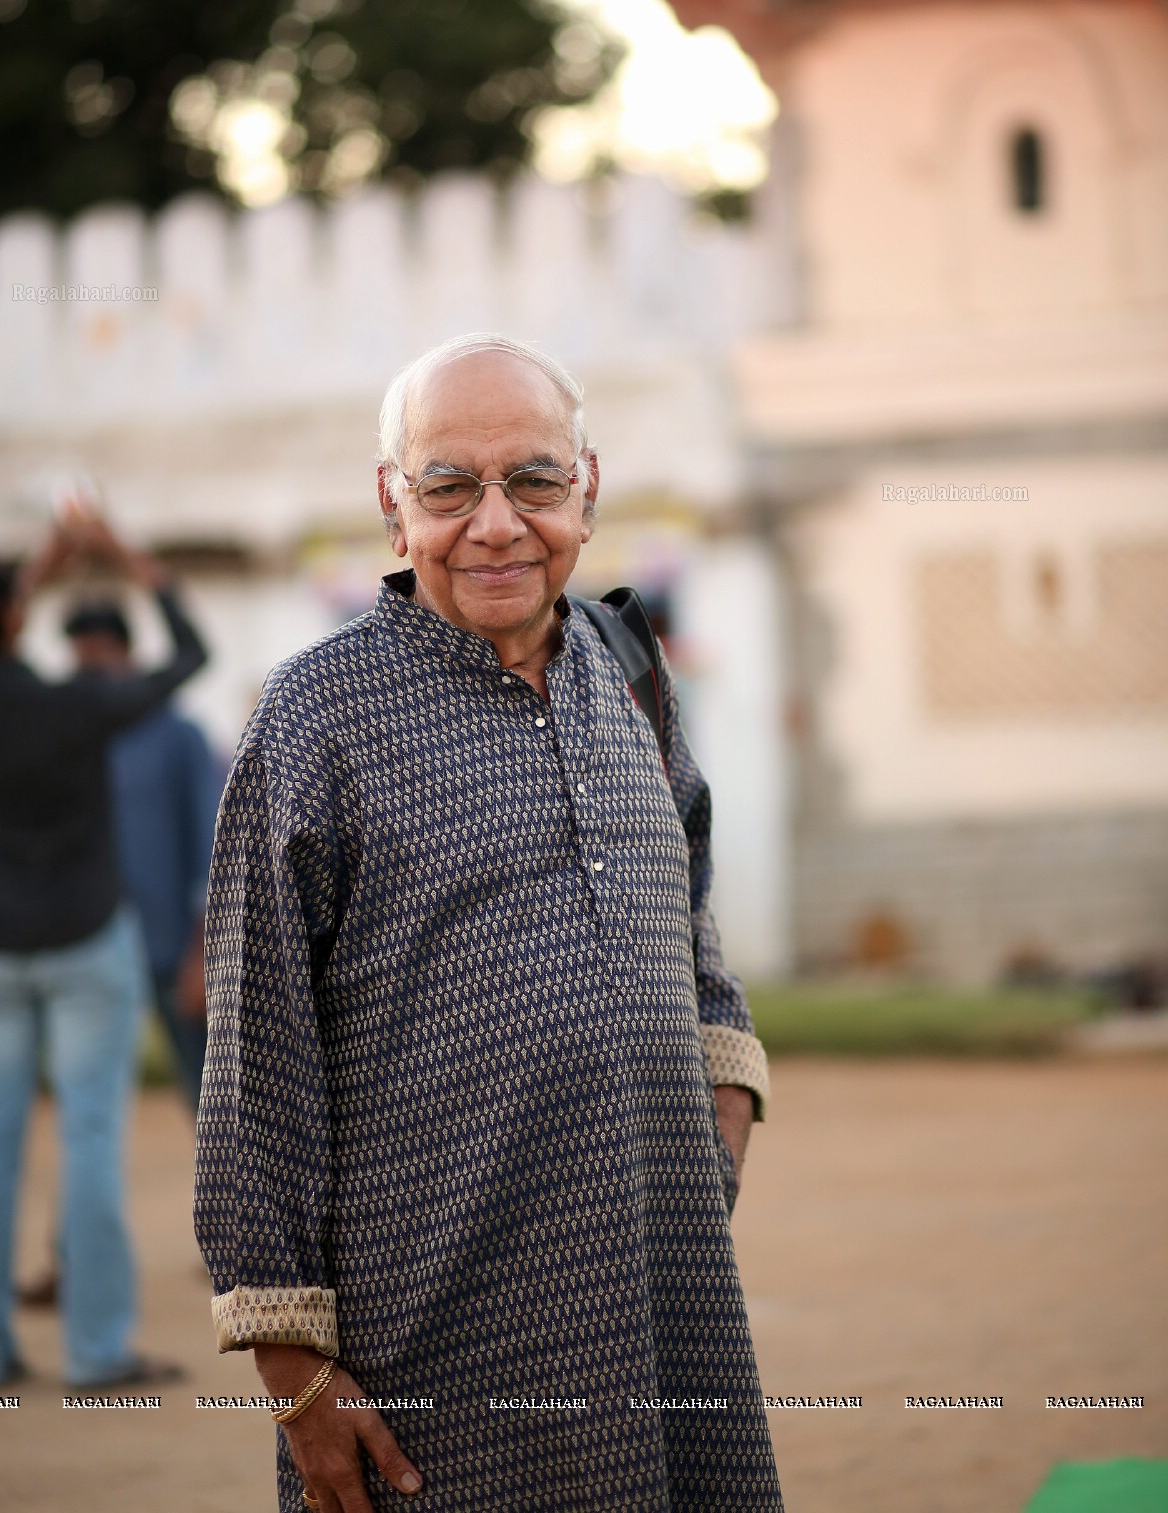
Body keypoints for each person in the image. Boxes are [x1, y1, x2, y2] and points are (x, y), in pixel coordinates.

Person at [194, 334, 784, 1513]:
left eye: (535, 480)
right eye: (450, 487)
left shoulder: (629, 674)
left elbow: (692, 919)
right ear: (391, 504)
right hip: (433, 1346)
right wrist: (293, 1365)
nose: (498, 524)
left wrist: (715, 1116)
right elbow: (258, 1053)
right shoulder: (317, 719)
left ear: (589, 489)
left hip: (668, 1310)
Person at [0, 510, 207, 1389]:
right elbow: (190, 653)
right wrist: (125, 560)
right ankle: (95, 1350)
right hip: (87, 937)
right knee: (88, 1139)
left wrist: (30, 577)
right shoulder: (78, 706)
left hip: (3, 947)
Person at [62, 600, 219, 1111]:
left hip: (173, 947)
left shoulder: (178, 736)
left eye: (97, 659)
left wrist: (202, 955)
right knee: (91, 1099)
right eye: (78, 662)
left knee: (209, 1093)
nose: (87, 675)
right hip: (94, 946)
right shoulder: (76, 738)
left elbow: (213, 849)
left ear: (125, 654)